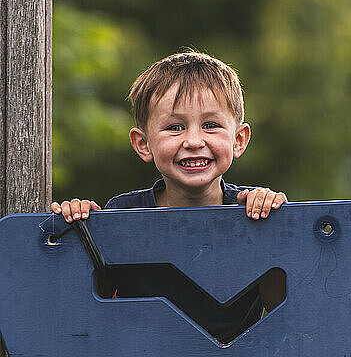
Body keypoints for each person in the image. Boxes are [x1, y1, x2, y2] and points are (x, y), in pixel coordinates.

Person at [51, 51, 288, 343]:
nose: (193, 141)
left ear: (238, 140)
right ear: (143, 144)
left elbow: (282, 309)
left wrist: (276, 227)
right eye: (175, 127)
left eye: (210, 125)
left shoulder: (252, 211)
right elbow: (90, 304)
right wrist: (79, 224)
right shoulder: (121, 213)